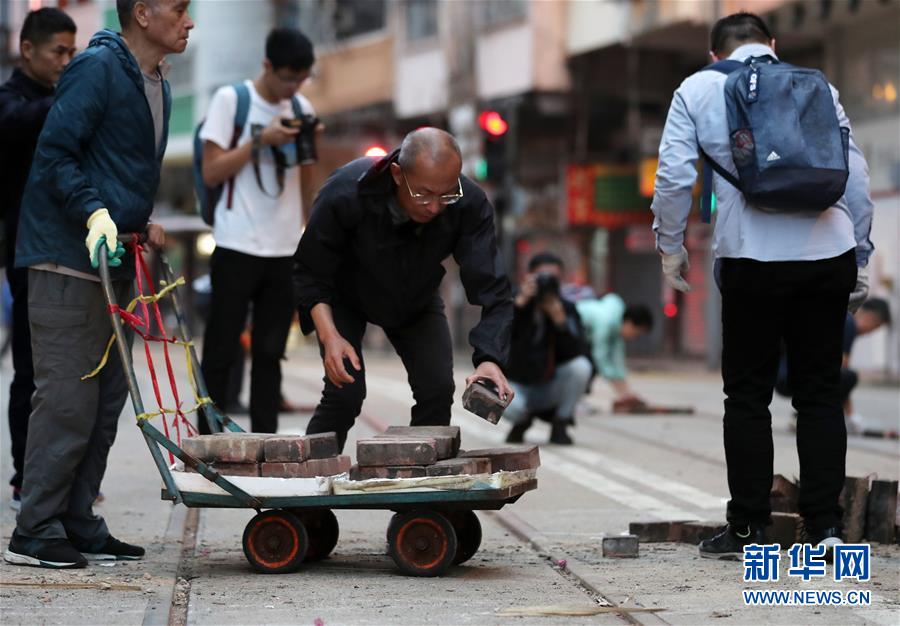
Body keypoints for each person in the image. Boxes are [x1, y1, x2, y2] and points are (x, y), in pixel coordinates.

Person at [651, 12, 874, 559]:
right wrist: (860, 256)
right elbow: (857, 177)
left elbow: (676, 175)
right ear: (772, 46)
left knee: (747, 398)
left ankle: (749, 529)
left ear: (714, 53)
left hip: (751, 258)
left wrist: (671, 247)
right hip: (828, 254)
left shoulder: (699, 87)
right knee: (820, 395)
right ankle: (824, 530)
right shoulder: (816, 84)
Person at [4, 0, 194, 569]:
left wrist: (137, 219)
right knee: (66, 397)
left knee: (108, 397)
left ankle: (78, 518)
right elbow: (56, 153)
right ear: (142, 12)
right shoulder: (97, 67)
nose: (189, 22)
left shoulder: (155, 79)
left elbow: (118, 165)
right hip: (66, 256)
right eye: (181, 9)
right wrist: (93, 211)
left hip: (115, 259)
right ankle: (35, 528)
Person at [293, 127, 514, 451]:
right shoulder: (346, 191)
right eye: (423, 194)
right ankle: (308, 488)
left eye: (446, 195)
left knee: (437, 390)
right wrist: (330, 337)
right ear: (398, 174)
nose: (435, 207)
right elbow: (310, 271)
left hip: (416, 298)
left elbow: (494, 289)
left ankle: (419, 496)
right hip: (345, 296)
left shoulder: (470, 204)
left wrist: (491, 358)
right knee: (345, 393)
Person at [199, 27, 317, 435]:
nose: (293, 87)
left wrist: (307, 233)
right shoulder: (232, 100)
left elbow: (305, 179)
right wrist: (260, 141)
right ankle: (207, 443)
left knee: (271, 353)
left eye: (301, 79)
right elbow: (212, 171)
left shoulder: (301, 105)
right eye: (287, 78)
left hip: (284, 248)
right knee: (221, 348)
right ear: (267, 66)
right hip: (235, 241)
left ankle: (266, 444)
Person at [0, 7, 76, 511]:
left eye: (73, 53)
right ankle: (27, 476)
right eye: (59, 53)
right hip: (25, 251)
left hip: (63, 249)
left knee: (63, 372)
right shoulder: (11, 103)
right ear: (28, 49)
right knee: (31, 370)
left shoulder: (59, 100)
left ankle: (59, 477)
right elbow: (18, 122)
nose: (66, 62)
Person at [503, 252, 592, 446]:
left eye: (552, 278)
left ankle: (560, 423)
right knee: (499, 397)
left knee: (581, 366)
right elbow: (499, 340)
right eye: (541, 278)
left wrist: (561, 323)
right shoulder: (513, 303)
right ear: (528, 277)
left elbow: (580, 353)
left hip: (550, 385)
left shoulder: (566, 308)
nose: (546, 283)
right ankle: (521, 422)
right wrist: (519, 305)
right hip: (517, 385)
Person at [776, 298, 891, 433]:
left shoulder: (837, 318)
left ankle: (804, 415)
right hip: (794, 378)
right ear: (870, 318)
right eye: (874, 328)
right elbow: (839, 373)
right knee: (849, 377)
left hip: (783, 375)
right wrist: (851, 417)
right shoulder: (848, 324)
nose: (869, 333)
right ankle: (808, 416)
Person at [576, 296, 653, 406]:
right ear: (629, 323)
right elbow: (600, 357)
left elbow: (617, 361)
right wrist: (623, 392)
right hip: (566, 335)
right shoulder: (606, 321)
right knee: (589, 362)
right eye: (637, 333)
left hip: (582, 339)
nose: (634, 338)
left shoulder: (617, 324)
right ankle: (575, 400)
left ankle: (577, 399)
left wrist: (626, 393)